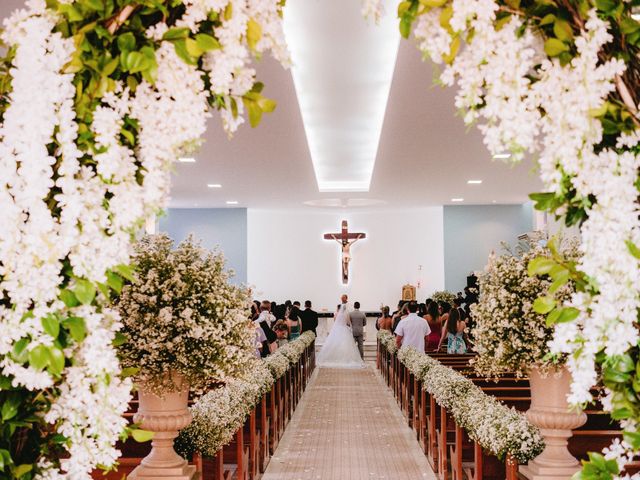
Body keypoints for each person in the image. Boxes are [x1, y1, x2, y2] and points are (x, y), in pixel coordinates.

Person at [316, 295, 363, 368]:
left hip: (337, 329)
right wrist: (349, 327)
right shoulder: (347, 314)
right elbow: (348, 322)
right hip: (344, 329)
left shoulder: (336, 314)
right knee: (345, 344)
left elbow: (335, 321)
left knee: (335, 343)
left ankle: (334, 357)